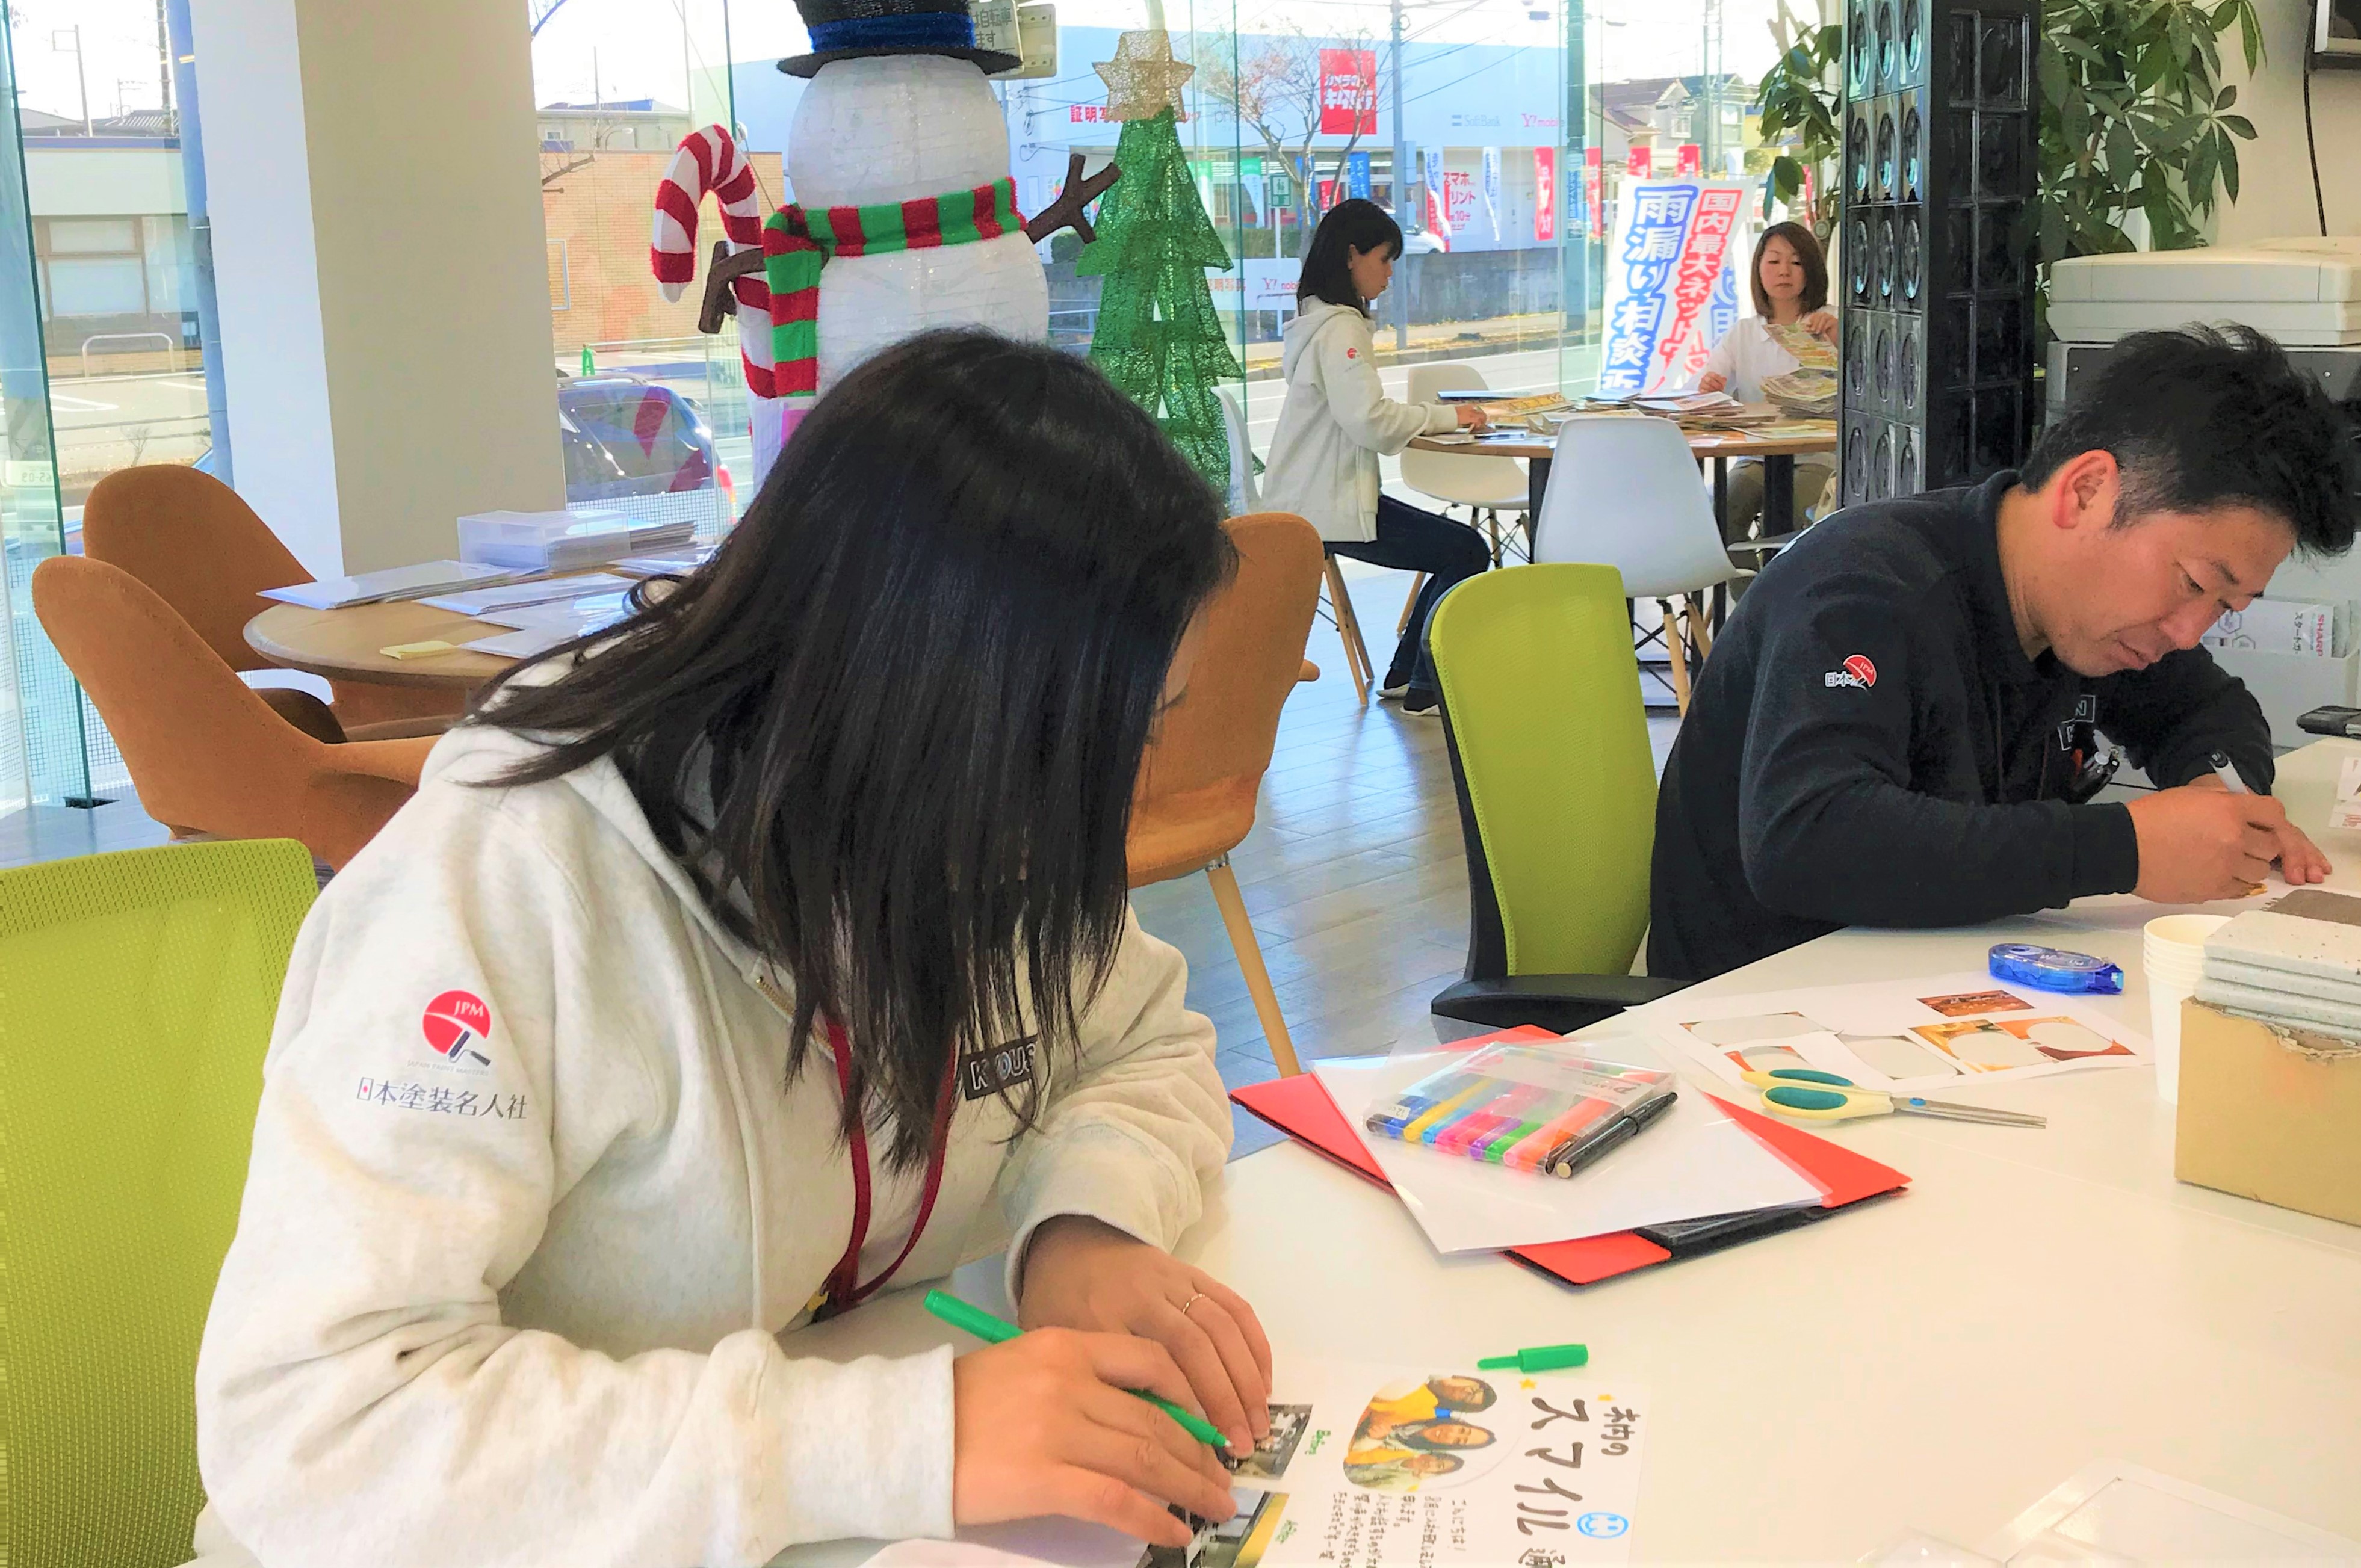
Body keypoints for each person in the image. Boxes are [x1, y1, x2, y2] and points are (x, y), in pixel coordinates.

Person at [190, 331, 1272, 1567]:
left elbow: (1141, 1042)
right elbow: (317, 1429)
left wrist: (1086, 1220)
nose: (1120, 793)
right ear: (936, 715)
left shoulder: (970, 840)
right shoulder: (514, 875)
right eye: (1098, 741)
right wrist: (894, 1439)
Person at [1650, 324, 2354, 981]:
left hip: (1934, 981)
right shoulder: (1861, 589)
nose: (2187, 631)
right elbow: (1805, 838)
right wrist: (2123, 847)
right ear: (2086, 491)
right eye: (2194, 583)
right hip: (1759, 1010)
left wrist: (2219, 797)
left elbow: (2205, 707)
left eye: (2224, 606)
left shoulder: (2094, 618)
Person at [1260, 197, 1492, 714]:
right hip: (1327, 508)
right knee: (1465, 550)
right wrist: (1449, 416)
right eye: (1384, 259)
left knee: (1459, 548)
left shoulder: (1315, 321)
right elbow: (1369, 420)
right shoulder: (1341, 328)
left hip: (1310, 498)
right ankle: (1423, 682)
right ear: (1351, 256)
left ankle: (1409, 676)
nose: (1389, 273)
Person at [1698, 220, 1839, 543]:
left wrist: (1839, 340)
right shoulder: (1744, 333)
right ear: (1759, 270)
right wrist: (1710, 388)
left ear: (1812, 270)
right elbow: (1705, 391)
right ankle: (1747, 578)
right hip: (1756, 457)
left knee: (1795, 514)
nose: (1784, 272)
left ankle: (1784, 576)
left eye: (1796, 263)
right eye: (1774, 261)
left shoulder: (1833, 320)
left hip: (1818, 456)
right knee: (1722, 511)